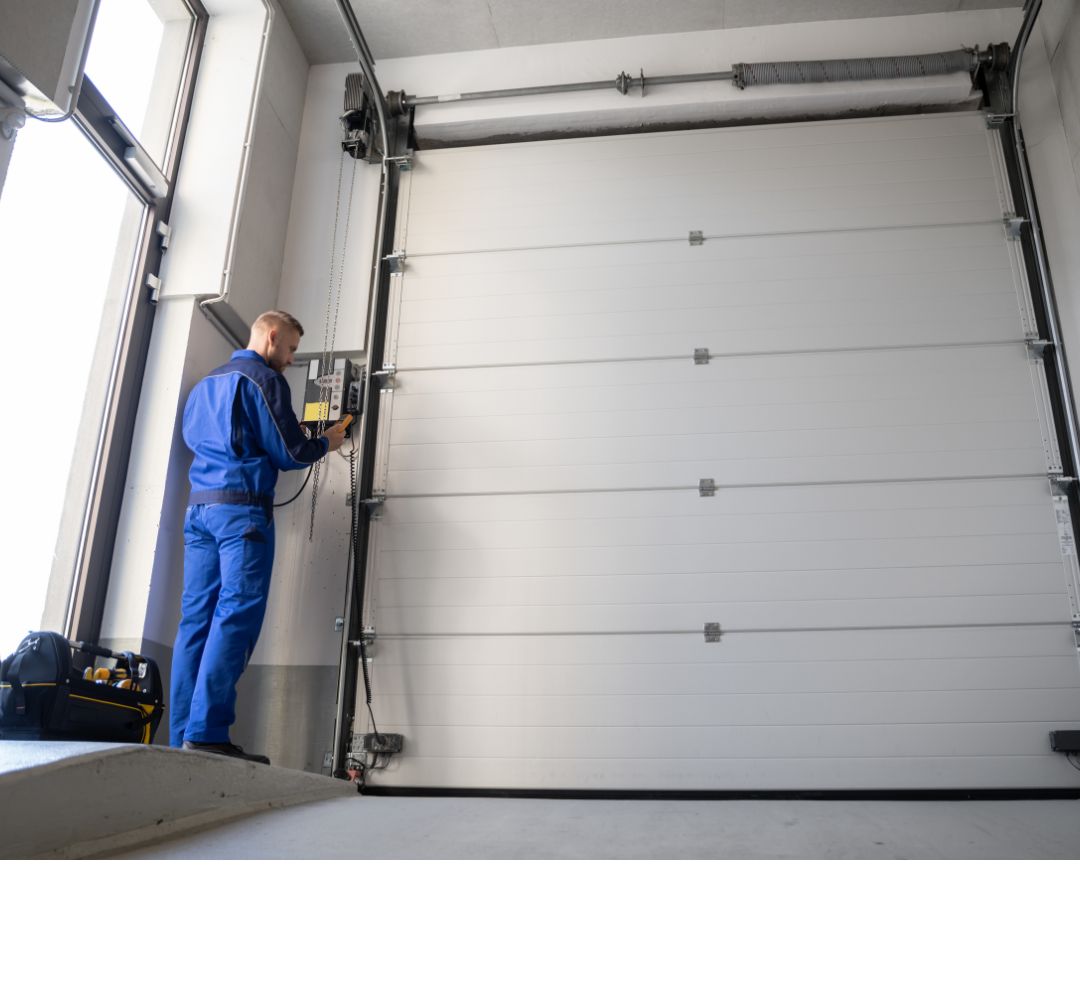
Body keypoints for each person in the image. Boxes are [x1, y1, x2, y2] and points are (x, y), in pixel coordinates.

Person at [170, 309, 348, 764]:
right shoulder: (262, 381)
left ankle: (181, 742)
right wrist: (329, 439)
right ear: (271, 337)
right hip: (241, 516)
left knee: (196, 623)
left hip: (199, 512)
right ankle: (207, 734)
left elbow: (198, 440)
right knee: (235, 616)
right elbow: (291, 452)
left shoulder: (205, 386)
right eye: (289, 349)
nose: (290, 359)